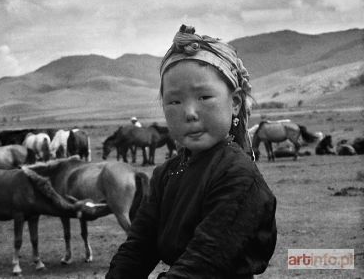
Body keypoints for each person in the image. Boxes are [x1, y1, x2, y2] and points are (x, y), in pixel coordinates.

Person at [106, 25, 277, 279]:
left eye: (204, 97)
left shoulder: (238, 176)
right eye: (174, 101)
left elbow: (204, 263)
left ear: (235, 102)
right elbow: (138, 248)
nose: (189, 112)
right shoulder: (166, 173)